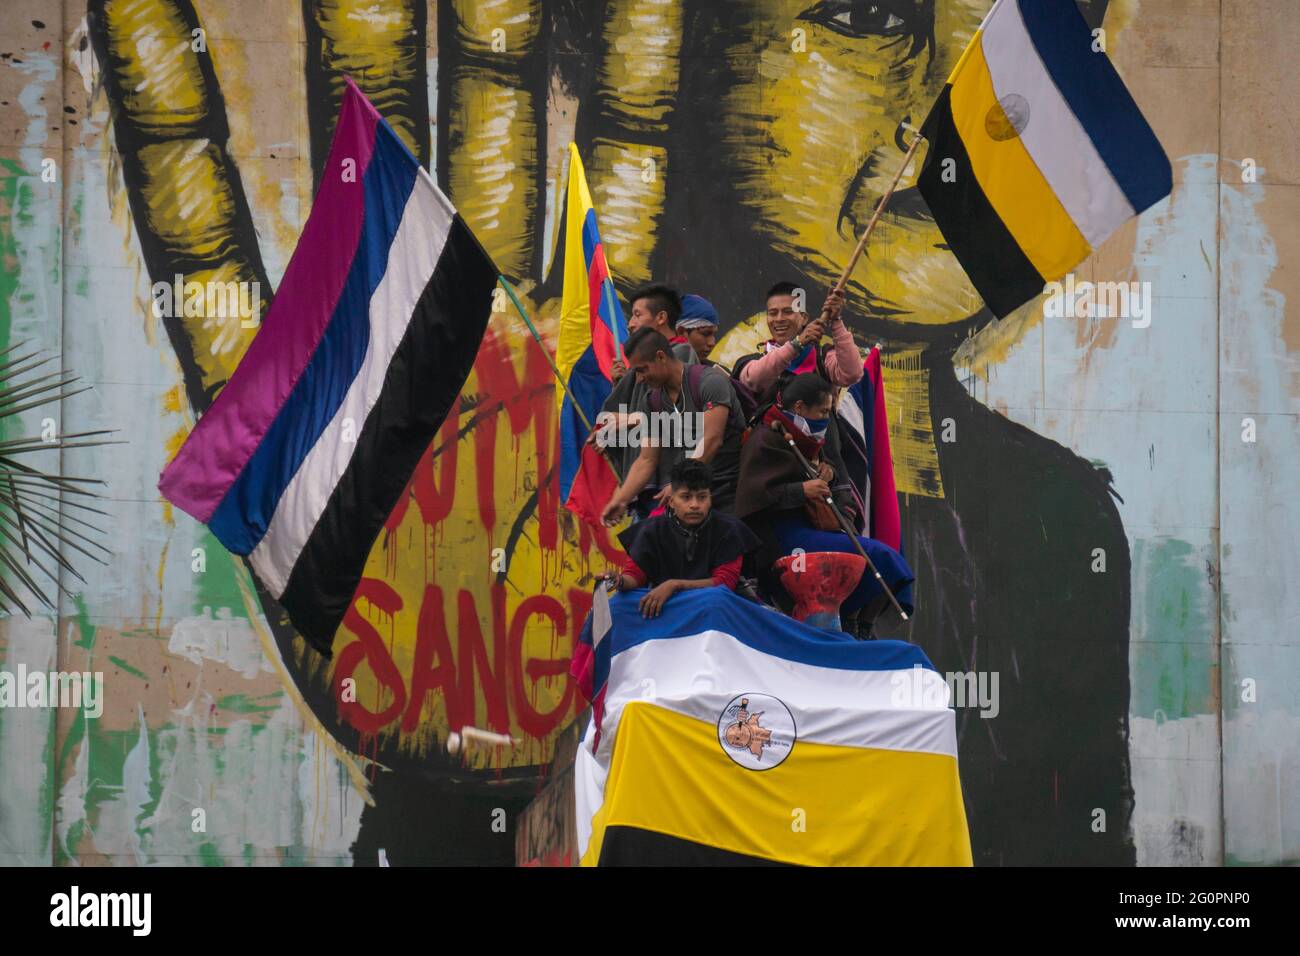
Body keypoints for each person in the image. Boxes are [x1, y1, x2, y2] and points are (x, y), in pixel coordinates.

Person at [733, 373, 914, 638]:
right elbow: (752, 499)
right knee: (878, 557)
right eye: (822, 411)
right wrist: (802, 490)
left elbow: (807, 473)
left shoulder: (806, 438)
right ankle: (855, 625)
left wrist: (823, 473)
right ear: (799, 408)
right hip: (781, 537)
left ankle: (860, 625)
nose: (826, 419)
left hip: (814, 528)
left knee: (888, 560)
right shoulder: (765, 438)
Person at [600, 327, 746, 523]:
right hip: (688, 496)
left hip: (727, 491)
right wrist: (620, 499)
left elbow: (712, 440)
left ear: (661, 357)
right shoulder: (651, 400)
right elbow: (646, 460)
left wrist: (679, 483)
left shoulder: (710, 382)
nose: (640, 378)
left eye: (643, 369)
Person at [604, 459, 761, 618]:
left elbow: (724, 583)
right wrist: (620, 581)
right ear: (671, 501)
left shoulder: (729, 529)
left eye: (702, 497)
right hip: (667, 602)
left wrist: (674, 585)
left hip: (713, 602)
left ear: (710, 499)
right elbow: (635, 576)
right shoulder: (651, 530)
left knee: (715, 600)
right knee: (617, 605)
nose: (694, 505)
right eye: (686, 497)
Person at [733, 281, 861, 399]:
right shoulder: (754, 360)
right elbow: (753, 380)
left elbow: (851, 374)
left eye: (788, 311)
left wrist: (836, 320)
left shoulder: (822, 358)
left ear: (804, 318)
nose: (779, 319)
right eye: (772, 313)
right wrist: (797, 344)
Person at [676, 294, 721, 366]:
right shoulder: (655, 372)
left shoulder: (718, 374)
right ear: (681, 332)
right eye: (706, 334)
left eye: (713, 334)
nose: (712, 343)